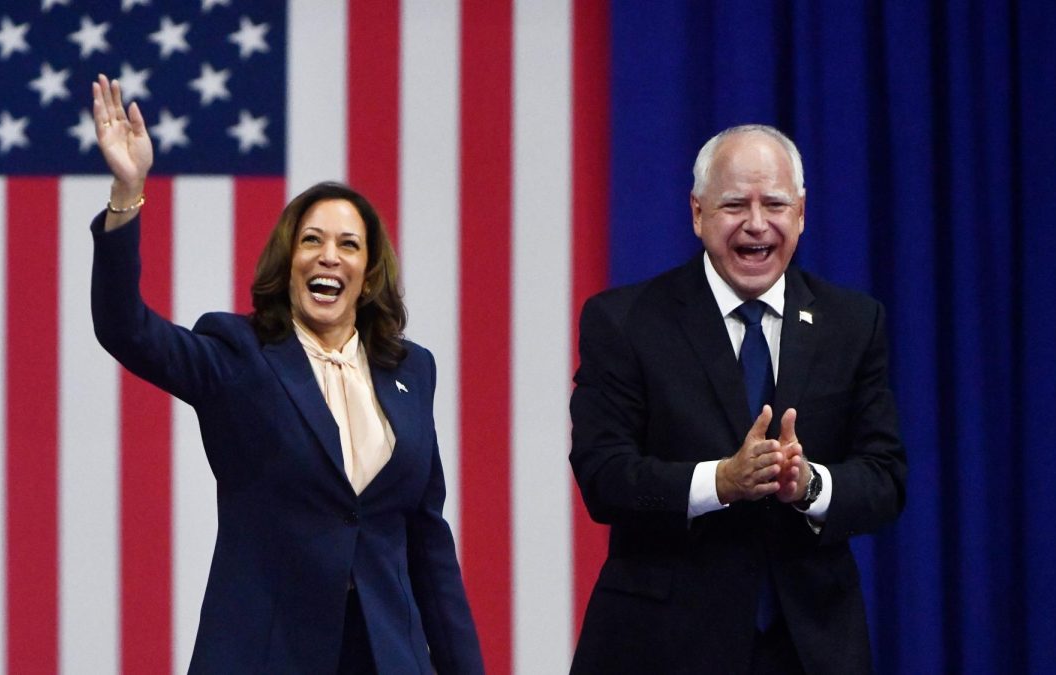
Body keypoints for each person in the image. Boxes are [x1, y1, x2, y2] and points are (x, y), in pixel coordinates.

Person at [89, 74, 484, 674]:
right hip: (269, 654)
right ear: (288, 259)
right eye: (312, 241)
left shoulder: (411, 370)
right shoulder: (238, 354)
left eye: (349, 245)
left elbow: (426, 539)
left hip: (386, 657)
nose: (330, 256)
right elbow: (126, 329)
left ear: (369, 271)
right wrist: (128, 190)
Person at [569, 124, 907, 674]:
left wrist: (809, 485)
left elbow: (886, 478)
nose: (756, 224)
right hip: (662, 646)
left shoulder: (853, 322)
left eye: (774, 203)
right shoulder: (625, 321)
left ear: (800, 212)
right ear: (698, 213)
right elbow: (604, 477)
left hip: (810, 648)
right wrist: (720, 482)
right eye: (734, 205)